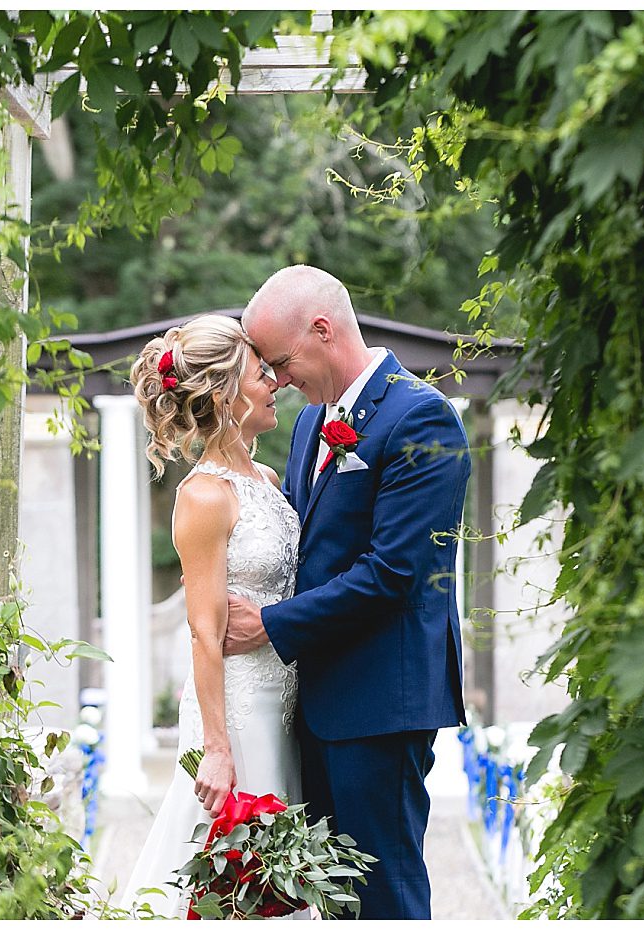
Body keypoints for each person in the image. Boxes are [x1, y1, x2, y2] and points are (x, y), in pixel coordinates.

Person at [226, 264, 472, 919]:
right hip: (318, 702)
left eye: (279, 361)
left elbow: (392, 574)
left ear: (323, 331)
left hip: (380, 706)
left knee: (383, 897)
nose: (275, 380)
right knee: (332, 903)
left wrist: (271, 625)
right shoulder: (310, 425)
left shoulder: (422, 419)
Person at [112, 314, 303, 917]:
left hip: (285, 703)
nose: (276, 383)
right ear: (225, 395)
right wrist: (216, 747)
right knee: (230, 882)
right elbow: (203, 628)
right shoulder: (203, 496)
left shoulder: (267, 480)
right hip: (236, 715)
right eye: (260, 374)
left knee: (279, 876)